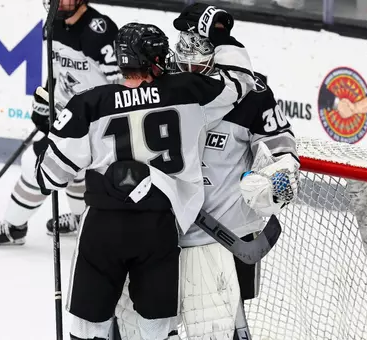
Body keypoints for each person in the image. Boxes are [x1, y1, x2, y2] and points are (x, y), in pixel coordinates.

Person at [34, 3, 256, 339]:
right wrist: (224, 41)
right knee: (157, 325)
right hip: (159, 227)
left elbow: (49, 177)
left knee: (88, 324)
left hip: (102, 227)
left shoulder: (88, 104)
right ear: (156, 60)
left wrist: (53, 128)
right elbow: (240, 82)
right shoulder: (186, 91)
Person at [115, 31, 299, 340]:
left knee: (215, 332)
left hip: (216, 242)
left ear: (214, 65)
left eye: (199, 69)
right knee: (136, 329)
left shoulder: (249, 96)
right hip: (154, 237)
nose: (190, 76)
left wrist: (276, 183)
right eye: (182, 68)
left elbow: (282, 151)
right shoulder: (157, 89)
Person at [0, 0, 121, 245]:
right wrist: (46, 104)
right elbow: (56, 74)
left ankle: (14, 227)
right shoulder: (52, 25)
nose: (59, 2)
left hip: (96, 123)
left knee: (36, 163)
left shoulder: (101, 31)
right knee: (74, 171)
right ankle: (81, 218)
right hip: (69, 117)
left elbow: (119, 87)